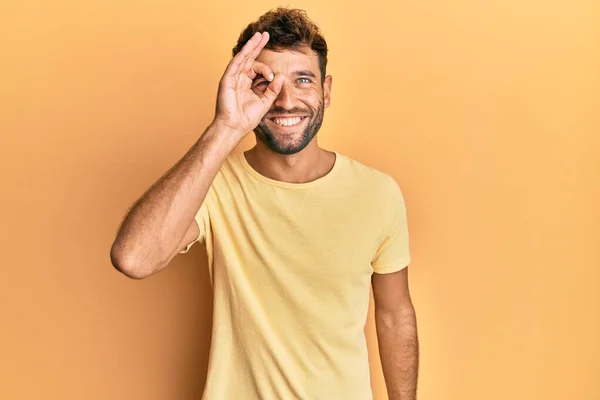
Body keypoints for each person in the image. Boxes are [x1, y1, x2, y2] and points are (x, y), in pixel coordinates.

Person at [110, 7, 418, 400]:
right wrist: (225, 126)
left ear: (326, 91)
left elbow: (394, 315)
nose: (285, 100)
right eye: (264, 82)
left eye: (302, 80)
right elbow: (133, 258)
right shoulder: (212, 185)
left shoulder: (378, 193)